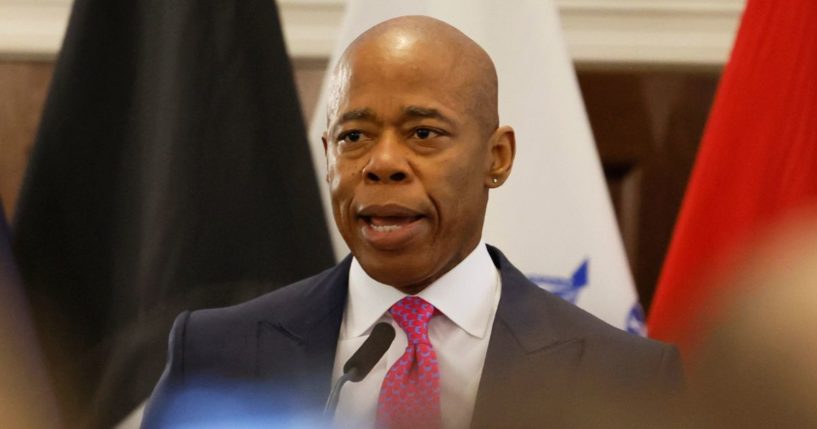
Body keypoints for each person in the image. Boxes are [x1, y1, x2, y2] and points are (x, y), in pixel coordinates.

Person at [142, 15, 682, 428]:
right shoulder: (216, 355)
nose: (382, 164)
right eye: (354, 137)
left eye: (423, 134)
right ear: (329, 154)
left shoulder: (624, 378)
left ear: (497, 157)